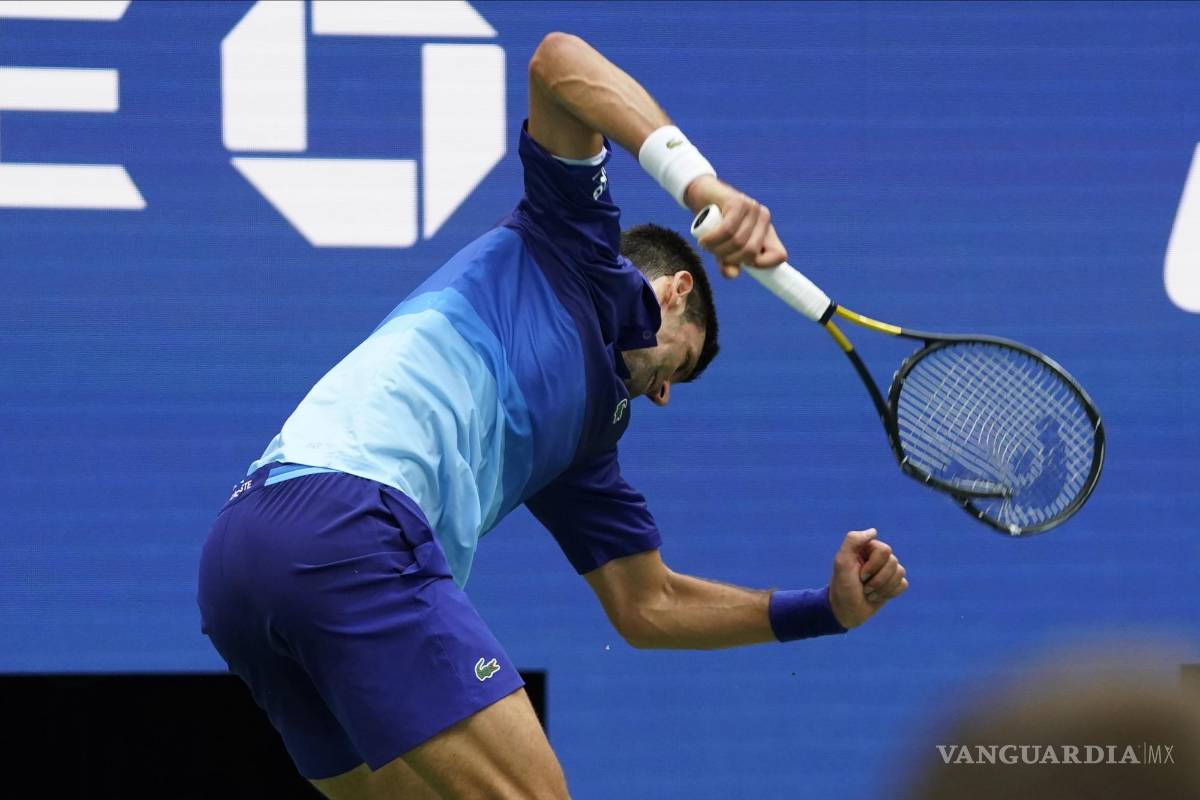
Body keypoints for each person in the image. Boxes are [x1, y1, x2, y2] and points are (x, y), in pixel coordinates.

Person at [197, 32, 910, 799]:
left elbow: (649, 606)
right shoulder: (567, 235)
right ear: (671, 292)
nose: (665, 394)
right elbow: (556, 61)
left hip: (241, 556)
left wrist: (827, 612)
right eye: (679, 366)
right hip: (349, 520)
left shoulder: (584, 443)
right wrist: (702, 186)